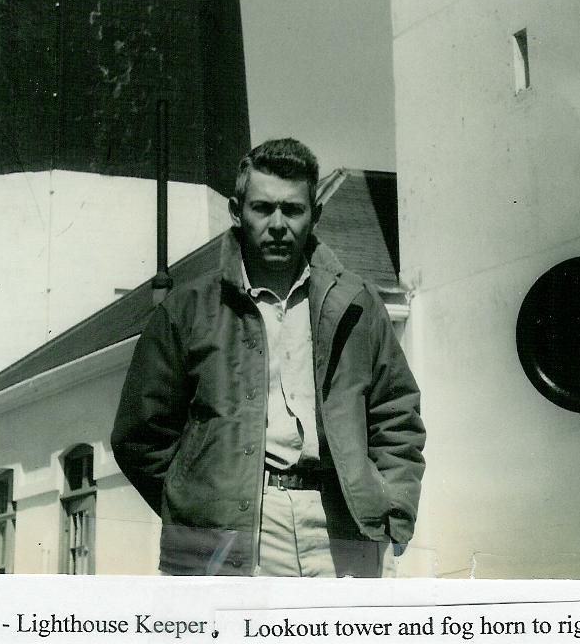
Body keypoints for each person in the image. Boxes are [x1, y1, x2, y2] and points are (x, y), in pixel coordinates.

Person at [111, 138, 425, 576]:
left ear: (316, 214)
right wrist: (198, 508)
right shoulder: (187, 310)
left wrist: (393, 512)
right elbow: (140, 436)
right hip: (235, 534)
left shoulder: (358, 303)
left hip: (347, 526)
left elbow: (397, 417)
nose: (278, 224)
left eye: (293, 210)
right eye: (263, 208)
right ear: (237, 211)